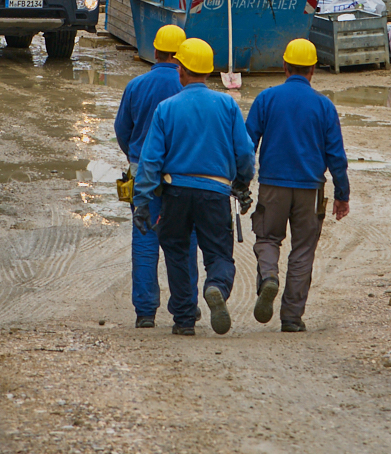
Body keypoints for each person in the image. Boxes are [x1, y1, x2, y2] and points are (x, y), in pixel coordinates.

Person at [134, 37, 255, 336]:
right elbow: (245, 152)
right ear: (209, 71)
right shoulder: (227, 104)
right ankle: (215, 286)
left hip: (175, 192)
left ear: (181, 71)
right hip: (215, 193)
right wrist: (242, 182)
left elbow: (150, 161)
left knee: (175, 251)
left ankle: (185, 319)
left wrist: (142, 200)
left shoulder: (166, 108)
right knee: (218, 254)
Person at [244, 38, 351, 332]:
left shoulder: (266, 99)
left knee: (267, 239)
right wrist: (342, 194)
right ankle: (291, 318)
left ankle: (269, 277)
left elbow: (246, 145)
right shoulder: (324, 106)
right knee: (303, 250)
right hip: (311, 190)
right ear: (313, 69)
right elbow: (336, 156)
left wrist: (240, 180)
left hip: (272, 187)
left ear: (284, 65)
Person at [113, 24, 197, 328]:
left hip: (141, 174)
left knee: (145, 240)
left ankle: (145, 313)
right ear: (183, 54)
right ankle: (185, 309)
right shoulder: (187, 86)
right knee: (185, 242)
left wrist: (134, 156)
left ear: (156, 50)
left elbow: (122, 130)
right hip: (181, 177)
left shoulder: (137, 85)